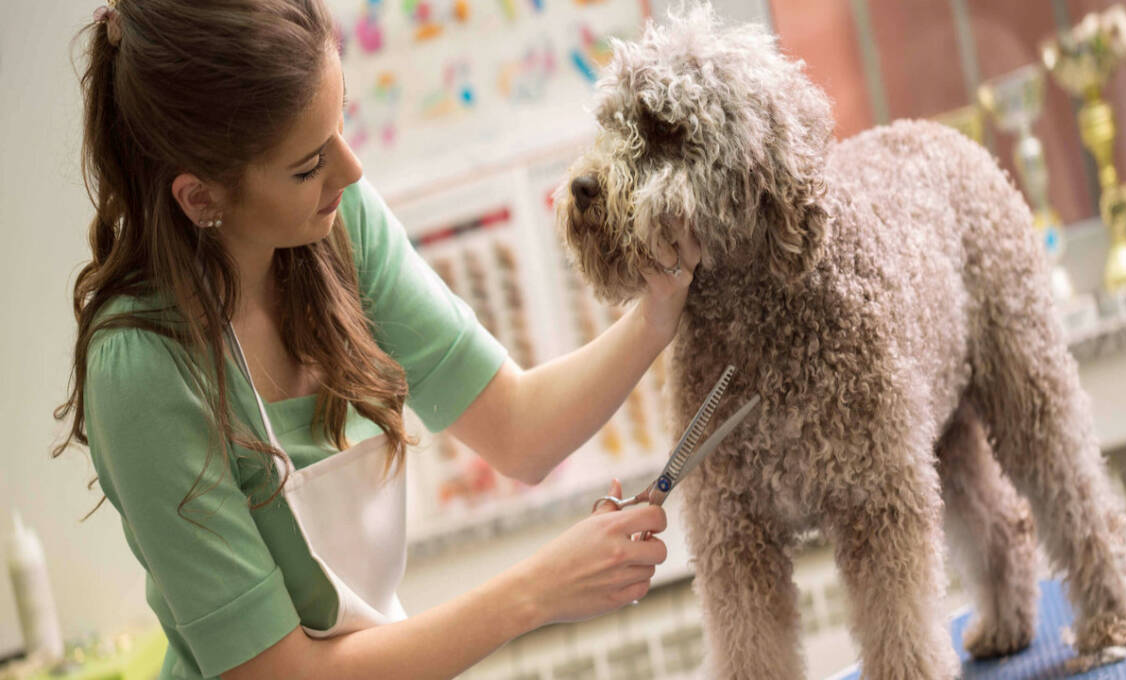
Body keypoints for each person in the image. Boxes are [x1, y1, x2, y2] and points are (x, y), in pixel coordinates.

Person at [54, 1, 701, 678]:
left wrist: (658, 314)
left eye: (342, 123)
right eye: (308, 165)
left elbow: (519, 428)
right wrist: (537, 592)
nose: (352, 170)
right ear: (201, 197)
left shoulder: (334, 228)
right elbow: (281, 674)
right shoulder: (142, 368)